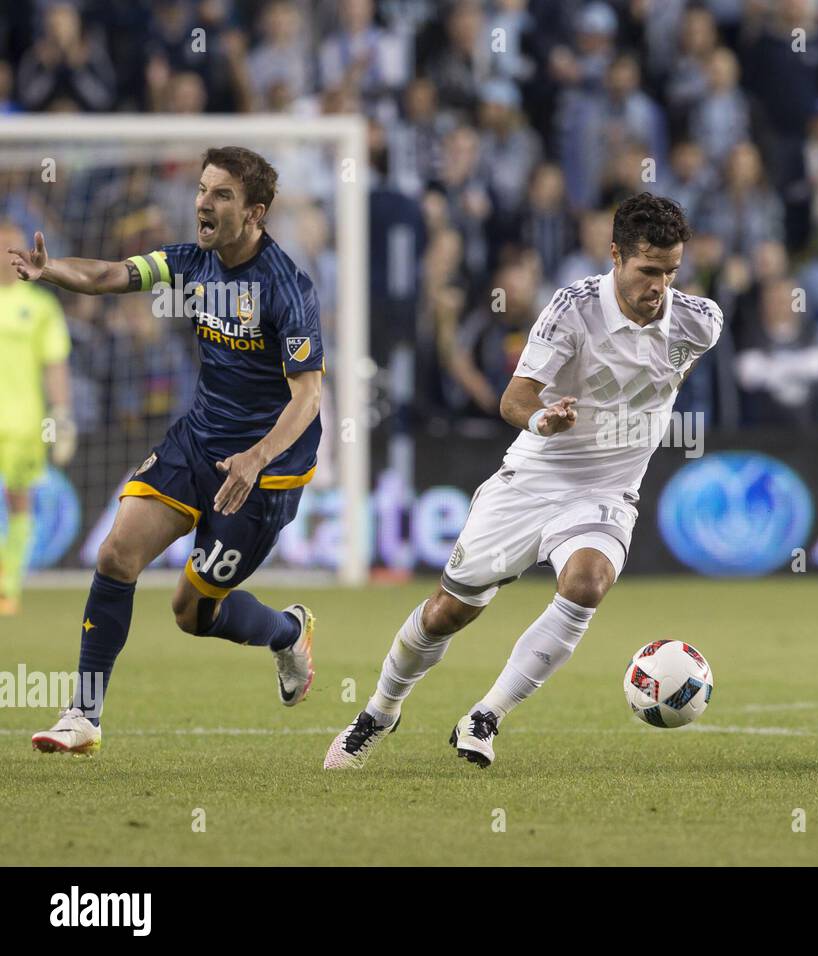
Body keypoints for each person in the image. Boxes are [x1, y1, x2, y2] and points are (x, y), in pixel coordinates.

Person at [325, 193, 722, 770]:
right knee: (448, 612)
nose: (659, 286)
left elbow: (667, 370)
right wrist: (544, 417)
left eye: (670, 271)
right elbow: (515, 397)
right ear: (614, 255)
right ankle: (379, 712)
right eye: (647, 271)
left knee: (587, 583)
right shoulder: (572, 309)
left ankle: (485, 716)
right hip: (536, 476)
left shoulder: (699, 323)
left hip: (607, 491)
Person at [12, 147, 325, 755]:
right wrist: (51, 272)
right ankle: (83, 714)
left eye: (222, 195)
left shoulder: (287, 288)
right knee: (115, 555)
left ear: (255, 212)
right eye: (202, 190)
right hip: (197, 443)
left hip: (267, 471)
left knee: (192, 613)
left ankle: (288, 631)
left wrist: (257, 459)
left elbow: (308, 398)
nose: (203, 203)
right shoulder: (191, 263)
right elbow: (108, 276)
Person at [0, 222, 74, 615]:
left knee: (19, 502)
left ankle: (7, 586)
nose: (9, 255)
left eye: (15, 248)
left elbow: (55, 365)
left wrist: (61, 416)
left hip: (24, 424)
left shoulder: (41, 306)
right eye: (2, 247)